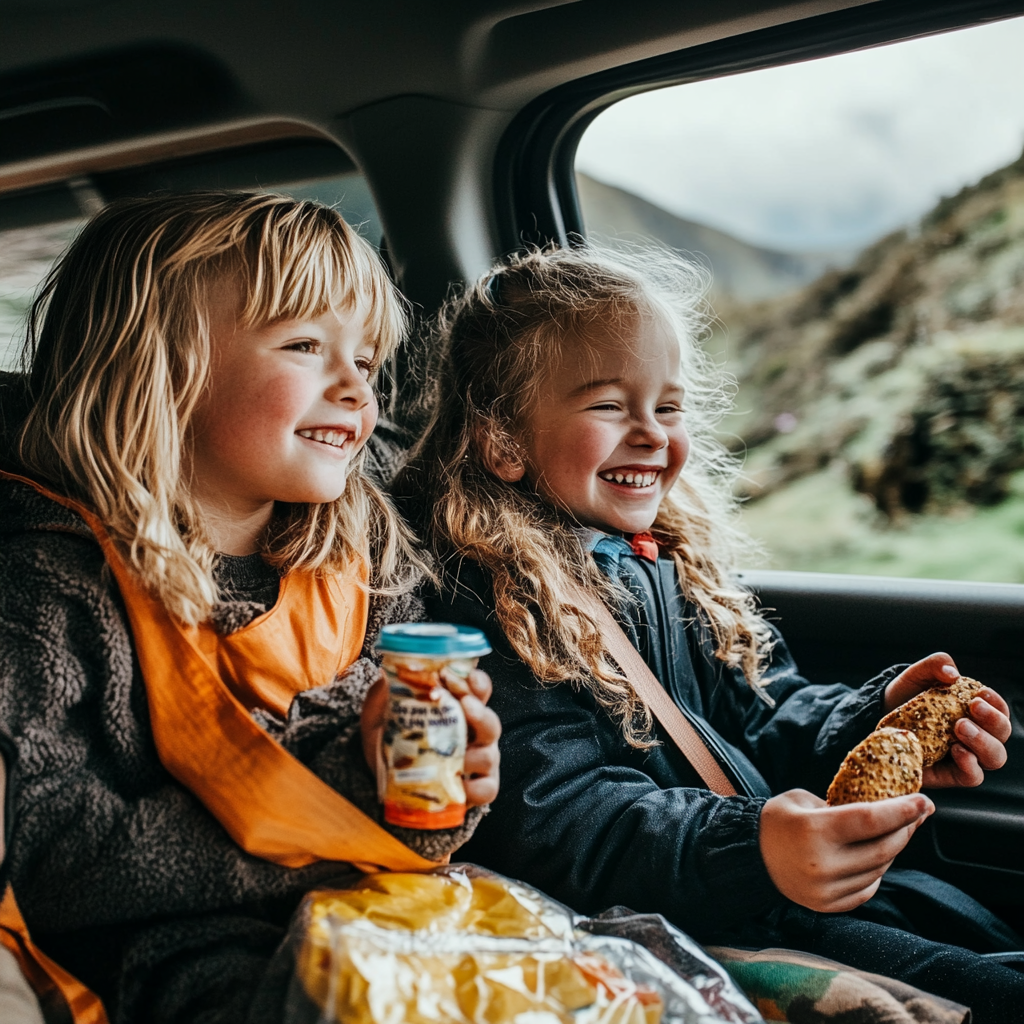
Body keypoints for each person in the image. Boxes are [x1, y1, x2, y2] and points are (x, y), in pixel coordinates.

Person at [394, 244, 1024, 1021]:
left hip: (765, 883)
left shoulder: (664, 562)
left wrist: (869, 719)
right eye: (608, 406)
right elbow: (564, 822)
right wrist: (751, 847)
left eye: (668, 407)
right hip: (689, 920)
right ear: (503, 441)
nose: (652, 434)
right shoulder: (486, 600)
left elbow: (760, 714)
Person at [0, 192, 501, 1024]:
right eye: (306, 346)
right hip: (179, 960)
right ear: (159, 368)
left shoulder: (365, 561)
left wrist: (447, 787)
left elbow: (412, 817)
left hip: (389, 915)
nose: (355, 388)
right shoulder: (45, 592)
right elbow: (50, 853)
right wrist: (347, 784)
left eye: (369, 361)